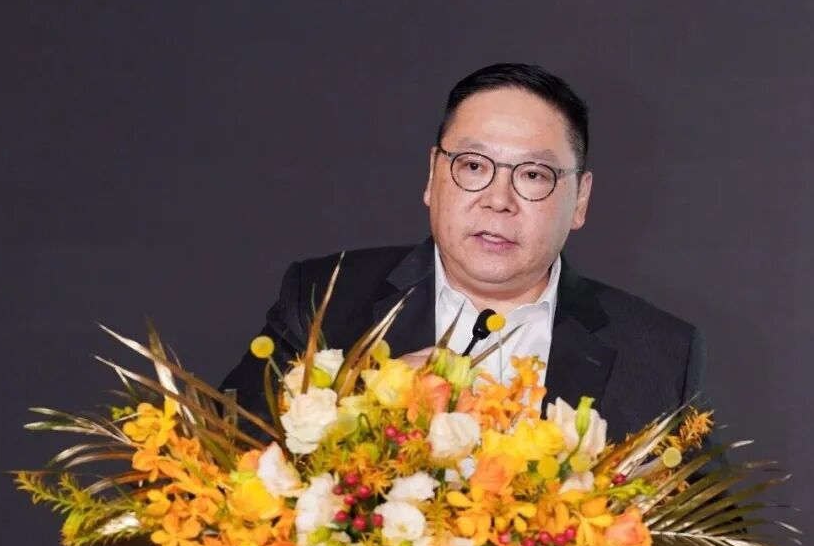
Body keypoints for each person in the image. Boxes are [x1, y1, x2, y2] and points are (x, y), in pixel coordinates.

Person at [220, 63, 707, 444]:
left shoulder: (657, 353)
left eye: (533, 175)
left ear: (580, 200)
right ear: (433, 175)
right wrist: (362, 405)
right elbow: (221, 458)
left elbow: (714, 538)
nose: (498, 199)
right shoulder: (325, 299)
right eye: (474, 166)